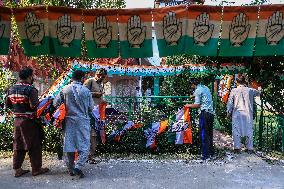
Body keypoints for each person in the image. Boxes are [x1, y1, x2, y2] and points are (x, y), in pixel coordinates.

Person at [5, 67, 49, 177]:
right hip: (30, 121)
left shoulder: (11, 89)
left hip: (17, 121)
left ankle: (17, 169)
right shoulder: (31, 90)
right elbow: (34, 106)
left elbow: (8, 105)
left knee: (18, 144)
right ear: (29, 77)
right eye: (32, 76)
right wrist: (44, 102)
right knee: (34, 144)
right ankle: (36, 169)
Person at [54, 70, 94, 178]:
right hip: (83, 121)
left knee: (69, 145)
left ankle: (71, 169)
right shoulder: (86, 91)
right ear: (82, 78)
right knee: (85, 145)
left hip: (68, 121)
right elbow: (91, 108)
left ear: (72, 78)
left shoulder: (64, 89)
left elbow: (55, 103)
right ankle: (78, 166)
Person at [227, 75, 261, 154]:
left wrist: (228, 113)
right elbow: (259, 92)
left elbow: (230, 103)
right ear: (244, 82)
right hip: (248, 113)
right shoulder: (250, 90)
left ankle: (237, 148)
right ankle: (249, 148)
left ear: (236, 82)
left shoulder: (234, 91)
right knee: (249, 130)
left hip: (237, 114)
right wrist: (257, 85)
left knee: (236, 131)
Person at [185, 78, 214, 160]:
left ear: (193, 84)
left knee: (203, 134)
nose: (191, 87)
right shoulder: (205, 87)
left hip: (204, 113)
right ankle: (211, 153)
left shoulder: (197, 90)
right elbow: (201, 94)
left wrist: (188, 105)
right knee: (209, 134)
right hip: (210, 113)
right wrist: (193, 96)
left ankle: (205, 155)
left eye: (191, 85)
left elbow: (197, 105)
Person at [83, 68, 107, 164]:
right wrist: (95, 94)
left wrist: (102, 101)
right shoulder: (90, 81)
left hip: (97, 112)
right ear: (98, 74)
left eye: (104, 77)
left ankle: (90, 155)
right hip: (89, 112)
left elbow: (99, 97)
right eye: (102, 76)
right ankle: (89, 156)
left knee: (95, 134)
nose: (103, 78)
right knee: (92, 134)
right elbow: (82, 93)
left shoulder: (100, 84)